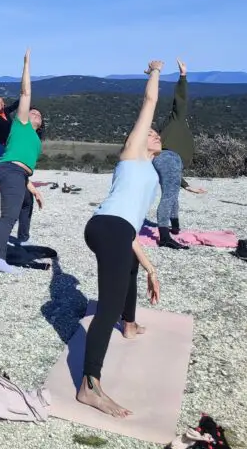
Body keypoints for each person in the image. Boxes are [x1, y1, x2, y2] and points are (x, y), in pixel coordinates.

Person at [77, 61, 163, 419]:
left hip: (117, 231)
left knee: (129, 268)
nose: (156, 135)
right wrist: (155, 73)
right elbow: (149, 104)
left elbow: (130, 236)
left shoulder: (152, 175)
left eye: (158, 134)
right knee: (106, 308)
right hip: (106, 226)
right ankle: (89, 386)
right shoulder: (132, 157)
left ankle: (128, 323)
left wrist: (151, 269)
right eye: (151, 133)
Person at [0, 49, 46, 273]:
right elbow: (25, 92)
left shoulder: (36, 141)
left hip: (16, 173)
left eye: (39, 115)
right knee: (9, 214)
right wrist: (26, 64)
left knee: (27, 202)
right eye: (32, 112)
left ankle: (22, 239)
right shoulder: (20, 124)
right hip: (8, 170)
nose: (35, 114)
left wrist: (33, 189)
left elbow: (24, 170)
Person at [153, 58, 206, 248]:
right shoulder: (176, 120)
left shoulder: (164, 131)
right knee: (169, 194)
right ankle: (164, 236)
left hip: (165, 160)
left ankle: (174, 227)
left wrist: (186, 185)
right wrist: (183, 76)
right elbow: (180, 101)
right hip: (169, 158)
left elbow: (173, 176)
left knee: (172, 191)